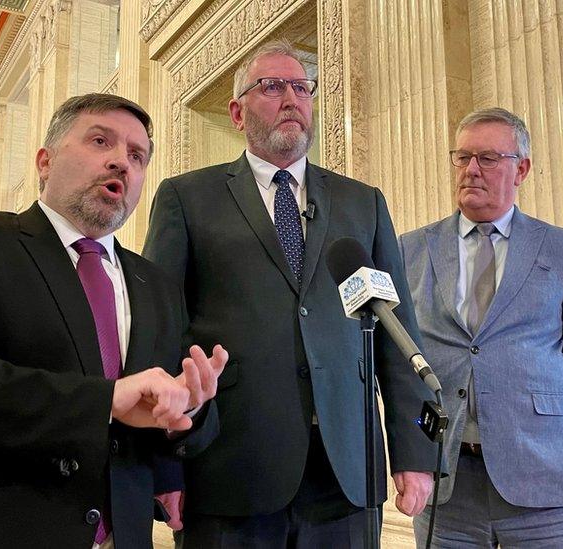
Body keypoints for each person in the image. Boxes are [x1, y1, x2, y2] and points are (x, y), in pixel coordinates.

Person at [0, 93, 228, 548]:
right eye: (101, 141)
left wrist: (191, 408)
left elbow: (159, 417)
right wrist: (104, 401)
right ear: (45, 161)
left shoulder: (155, 283)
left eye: (137, 156)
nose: (121, 161)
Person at [143, 40, 439, 548]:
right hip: (231, 464)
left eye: (302, 87)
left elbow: (395, 327)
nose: (291, 99)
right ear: (237, 111)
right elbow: (157, 330)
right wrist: (164, 467)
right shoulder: (186, 197)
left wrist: (413, 454)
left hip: (344, 466)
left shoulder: (361, 202)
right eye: (272, 86)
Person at [399, 107, 563, 547]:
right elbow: (400, 359)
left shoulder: (560, 247)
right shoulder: (412, 249)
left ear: (522, 169)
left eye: (489, 158)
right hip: (448, 485)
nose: (472, 170)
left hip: (544, 482)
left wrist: (523, 401)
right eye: (463, 157)